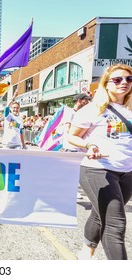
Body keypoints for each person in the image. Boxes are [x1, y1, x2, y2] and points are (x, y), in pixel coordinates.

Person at [68, 64, 132, 260]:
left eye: (129, 79)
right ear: (106, 84)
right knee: (116, 223)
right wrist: (89, 146)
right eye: (118, 79)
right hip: (97, 170)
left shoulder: (130, 110)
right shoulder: (92, 109)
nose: (124, 83)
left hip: (127, 172)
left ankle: (86, 252)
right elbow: (72, 137)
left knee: (99, 213)